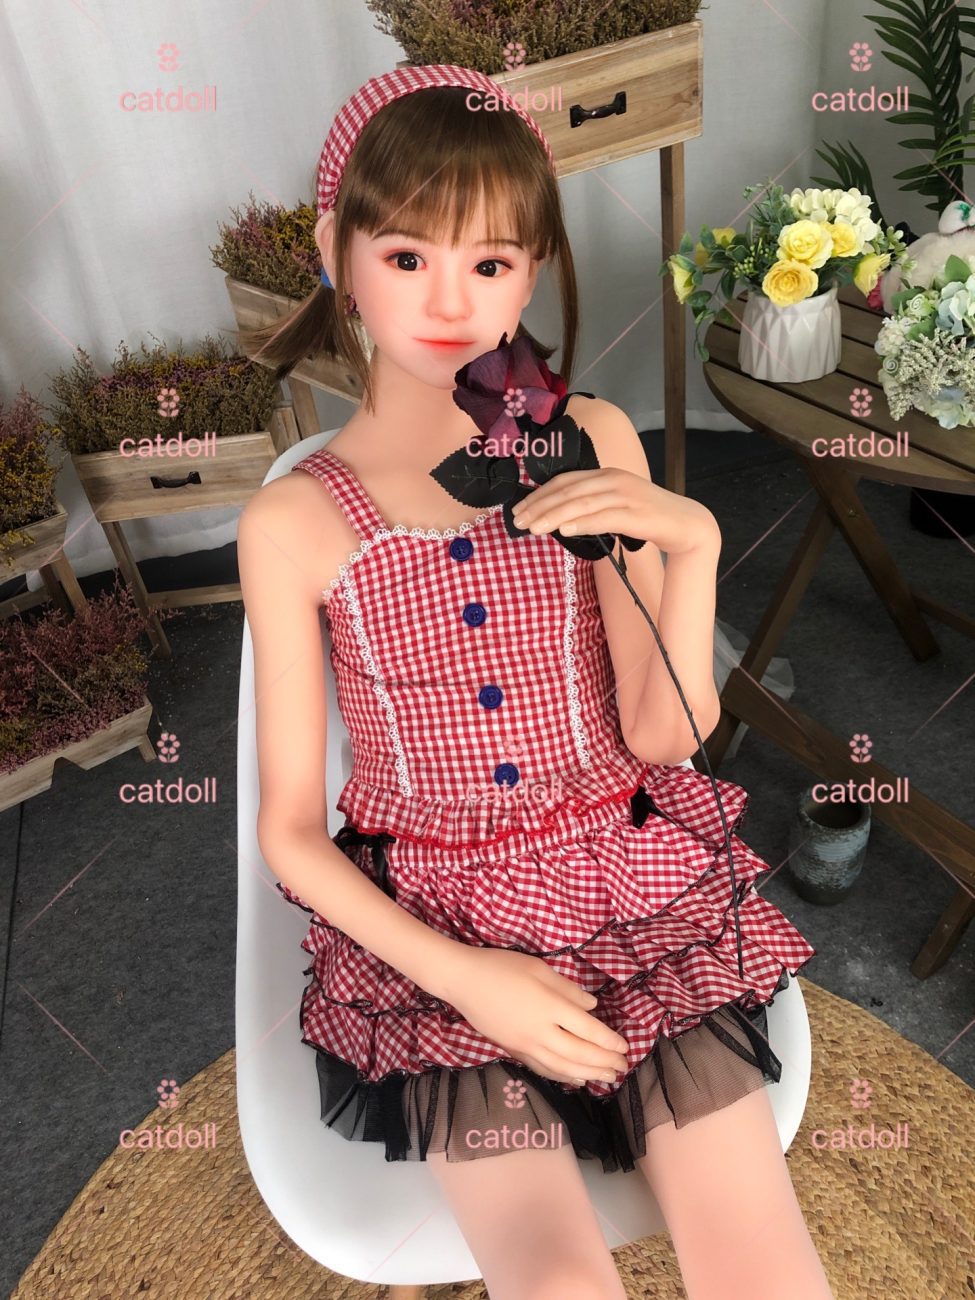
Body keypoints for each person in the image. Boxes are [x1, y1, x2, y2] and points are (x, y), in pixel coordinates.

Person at [237, 65, 834, 1300]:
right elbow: (289, 832)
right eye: (407, 257)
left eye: (493, 261)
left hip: (633, 889)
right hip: (440, 933)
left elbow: (664, 736)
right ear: (335, 250)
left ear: (535, 269)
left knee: (765, 1267)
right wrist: (468, 978)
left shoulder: (591, 441)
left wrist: (695, 544)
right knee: (556, 1279)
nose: (452, 301)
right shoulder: (294, 522)